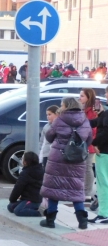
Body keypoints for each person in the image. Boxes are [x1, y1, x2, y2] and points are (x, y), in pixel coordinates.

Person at [40, 96, 93, 229]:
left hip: (58, 158)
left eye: (62, 105)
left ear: (66, 106)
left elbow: (50, 136)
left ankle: (50, 220)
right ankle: (82, 221)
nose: (60, 107)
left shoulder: (59, 120)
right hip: (77, 159)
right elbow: (89, 139)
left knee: (54, 188)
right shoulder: (85, 120)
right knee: (76, 189)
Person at [89, 87, 108, 223]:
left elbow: (105, 131)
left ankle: (104, 213)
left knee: (103, 183)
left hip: (105, 151)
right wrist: (101, 114)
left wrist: (95, 143)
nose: (106, 94)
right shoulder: (105, 113)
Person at [80, 88, 101, 206]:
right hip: (84, 142)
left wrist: (91, 141)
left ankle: (87, 192)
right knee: (83, 167)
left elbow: (94, 128)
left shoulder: (92, 110)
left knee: (87, 167)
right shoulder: (84, 108)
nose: (80, 98)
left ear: (88, 97)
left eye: (82, 96)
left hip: (90, 143)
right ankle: (84, 190)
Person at [7, 151, 43, 217]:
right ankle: (31, 208)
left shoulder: (25, 173)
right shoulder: (41, 170)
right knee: (10, 207)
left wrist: (12, 199)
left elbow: (17, 188)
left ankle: (40, 213)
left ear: (26, 162)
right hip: (31, 198)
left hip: (33, 200)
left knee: (18, 211)